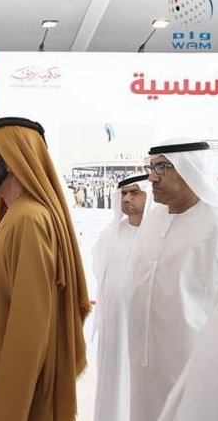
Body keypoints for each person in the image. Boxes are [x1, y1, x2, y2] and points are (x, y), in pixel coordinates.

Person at [0, 117, 90, 421]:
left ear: (13, 160)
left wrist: (6, 408)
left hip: (4, 395)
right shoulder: (13, 215)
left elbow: (30, 329)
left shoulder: (30, 220)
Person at [127, 138, 218, 421]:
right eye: (150, 167)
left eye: (163, 167)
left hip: (191, 361)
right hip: (145, 360)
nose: (152, 177)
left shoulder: (213, 224)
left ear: (191, 169)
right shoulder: (153, 220)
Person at [90, 173, 150, 421]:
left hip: (143, 333)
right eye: (123, 193)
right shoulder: (110, 234)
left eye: (134, 192)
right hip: (113, 328)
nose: (127, 198)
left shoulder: (158, 234)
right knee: (112, 384)